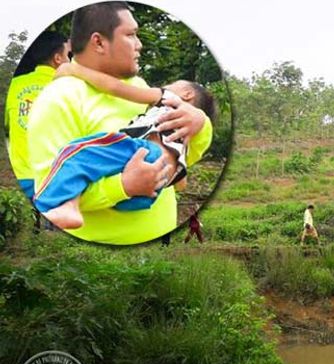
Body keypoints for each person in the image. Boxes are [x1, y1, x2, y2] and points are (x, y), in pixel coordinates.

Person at [26, 2, 213, 245]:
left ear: (186, 96)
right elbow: (45, 182)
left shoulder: (148, 91)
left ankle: (68, 203)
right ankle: (67, 203)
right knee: (80, 158)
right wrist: (123, 186)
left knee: (89, 152)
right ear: (99, 42)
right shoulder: (58, 98)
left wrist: (200, 121)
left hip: (159, 234)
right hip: (98, 252)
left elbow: (113, 88)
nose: (140, 45)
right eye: (131, 35)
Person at [33, 62, 215, 229]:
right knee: (93, 171)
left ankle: (56, 206)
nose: (166, 85)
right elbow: (181, 183)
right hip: (152, 189)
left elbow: (116, 88)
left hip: (143, 153)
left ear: (186, 94)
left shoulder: (167, 98)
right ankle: (66, 207)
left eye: (173, 83)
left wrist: (74, 70)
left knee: (76, 153)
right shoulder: (189, 137)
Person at [5, 31, 70, 199]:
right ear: (58, 59)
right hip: (54, 179)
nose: (70, 61)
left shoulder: (15, 85)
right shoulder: (69, 87)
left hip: (21, 176)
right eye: (68, 55)